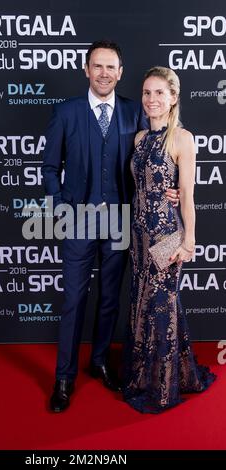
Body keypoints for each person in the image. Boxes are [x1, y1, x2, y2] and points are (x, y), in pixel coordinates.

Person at [42, 41, 177, 413]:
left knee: (108, 300)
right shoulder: (66, 112)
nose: (104, 73)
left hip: (120, 221)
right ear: (86, 70)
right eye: (97, 66)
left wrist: (173, 190)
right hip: (77, 221)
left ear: (120, 73)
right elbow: (50, 168)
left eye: (111, 67)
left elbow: (160, 152)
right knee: (73, 300)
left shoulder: (135, 113)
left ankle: (99, 361)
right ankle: (64, 377)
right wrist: (61, 205)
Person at [123, 66, 216, 413]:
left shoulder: (182, 138)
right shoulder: (139, 139)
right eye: (147, 93)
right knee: (143, 304)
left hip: (166, 234)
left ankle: (162, 388)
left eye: (159, 93)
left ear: (174, 97)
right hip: (139, 236)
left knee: (161, 308)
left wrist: (189, 240)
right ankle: (156, 375)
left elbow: (188, 195)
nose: (151, 99)